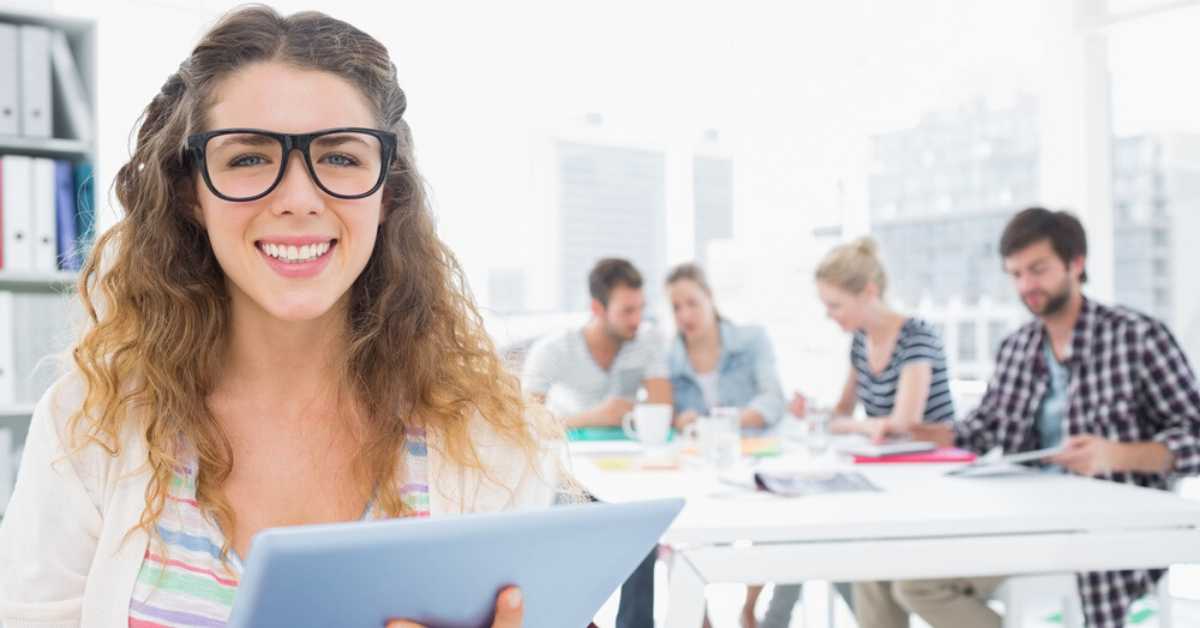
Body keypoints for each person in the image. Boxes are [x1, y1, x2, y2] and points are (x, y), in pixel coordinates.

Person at [0, 7, 578, 627]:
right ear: (191, 192)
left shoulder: (491, 443)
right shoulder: (90, 426)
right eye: (248, 158)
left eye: (341, 158)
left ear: (389, 192)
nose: (298, 199)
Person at [883, 208, 1200, 628]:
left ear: (1076, 263)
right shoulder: (1018, 347)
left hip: (1107, 532)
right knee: (883, 565)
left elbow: (1195, 438)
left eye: (1038, 270)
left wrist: (1115, 455)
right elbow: (982, 431)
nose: (1025, 286)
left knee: (917, 584)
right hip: (1023, 521)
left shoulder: (1138, 337)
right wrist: (921, 434)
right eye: (1015, 274)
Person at [776, 237, 955, 628]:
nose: (830, 315)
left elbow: (904, 423)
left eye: (835, 305)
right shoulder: (860, 343)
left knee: (855, 554)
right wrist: (819, 413)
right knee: (846, 553)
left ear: (869, 293)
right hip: (888, 478)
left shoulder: (916, 336)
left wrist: (866, 425)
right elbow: (842, 415)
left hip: (931, 479)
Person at [521, 257, 670, 628]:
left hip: (627, 471)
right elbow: (525, 423)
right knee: (566, 533)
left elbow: (662, 409)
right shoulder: (555, 350)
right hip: (573, 477)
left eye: (640, 308)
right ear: (597, 309)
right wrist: (595, 416)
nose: (637, 319)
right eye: (627, 311)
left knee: (643, 527)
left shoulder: (645, 344)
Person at [664, 262, 785, 628]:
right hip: (699, 464)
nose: (685, 314)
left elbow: (772, 400)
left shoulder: (751, 340)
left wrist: (723, 422)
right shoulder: (669, 358)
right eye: (676, 307)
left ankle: (749, 608)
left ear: (710, 298)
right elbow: (667, 412)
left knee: (771, 528)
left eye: (692, 303)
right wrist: (679, 419)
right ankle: (702, 621)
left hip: (752, 456)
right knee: (678, 539)